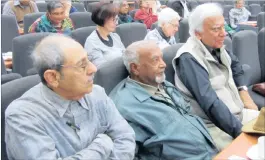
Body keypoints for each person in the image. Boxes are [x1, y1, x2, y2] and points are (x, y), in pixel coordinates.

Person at [5, 34, 136, 160]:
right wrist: (103, 144)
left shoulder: (97, 94)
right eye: (82, 65)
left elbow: (126, 138)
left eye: (89, 60)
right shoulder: (23, 117)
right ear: (53, 77)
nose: (93, 69)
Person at [109, 40, 218, 159]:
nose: (164, 64)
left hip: (210, 151)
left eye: (162, 58)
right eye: (155, 60)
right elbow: (128, 153)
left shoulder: (163, 84)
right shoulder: (125, 106)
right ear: (135, 68)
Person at [172, 3, 259, 150]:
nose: (224, 33)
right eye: (216, 29)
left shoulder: (215, 46)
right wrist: (240, 132)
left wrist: (244, 92)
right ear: (197, 33)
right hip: (214, 126)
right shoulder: (189, 58)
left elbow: (236, 65)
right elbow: (210, 103)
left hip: (237, 114)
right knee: (252, 151)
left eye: (223, 27)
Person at [84, 3, 125, 68]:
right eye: (114, 20)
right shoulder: (92, 42)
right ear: (102, 19)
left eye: (117, 19)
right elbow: (101, 70)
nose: (117, 23)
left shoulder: (115, 36)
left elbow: (125, 56)